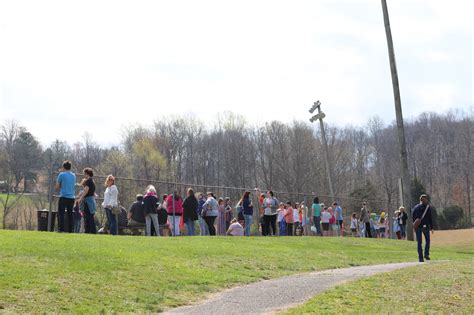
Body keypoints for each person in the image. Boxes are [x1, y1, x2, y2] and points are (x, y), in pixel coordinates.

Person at [412, 194, 434, 262]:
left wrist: (414, 225)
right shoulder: (427, 207)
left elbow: (413, 217)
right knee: (427, 241)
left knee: (419, 242)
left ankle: (420, 258)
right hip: (425, 226)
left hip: (418, 227)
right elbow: (430, 218)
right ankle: (426, 254)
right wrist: (432, 227)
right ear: (425, 200)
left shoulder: (415, 207)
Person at [55, 160, 76, 233]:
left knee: (61, 213)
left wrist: (61, 186)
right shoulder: (73, 175)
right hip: (71, 197)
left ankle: (61, 229)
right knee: (70, 214)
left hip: (63, 196)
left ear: (63, 167)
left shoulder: (61, 175)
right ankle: (71, 230)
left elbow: (57, 187)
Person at [78, 168, 96, 234]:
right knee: (87, 216)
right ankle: (87, 231)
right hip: (91, 201)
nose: (84, 175)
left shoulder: (88, 181)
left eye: (85, 173)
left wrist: (81, 198)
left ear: (87, 174)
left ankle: (92, 231)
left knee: (89, 216)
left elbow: (86, 190)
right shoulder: (92, 181)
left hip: (88, 201)